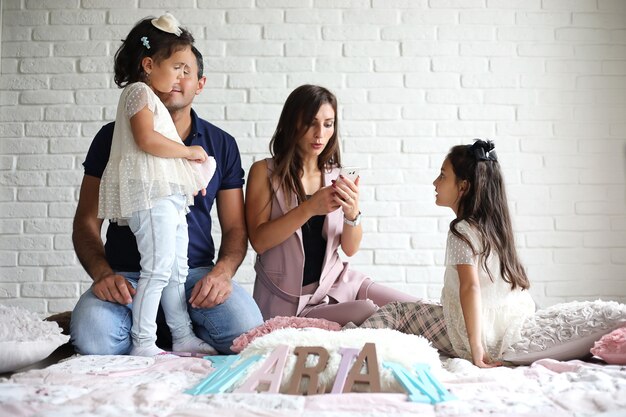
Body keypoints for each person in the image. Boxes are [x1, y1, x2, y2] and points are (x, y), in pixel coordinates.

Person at [70, 16, 263, 356]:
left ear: (200, 84)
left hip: (194, 276)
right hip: (126, 278)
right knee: (93, 338)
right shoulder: (112, 137)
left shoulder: (221, 144)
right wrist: (102, 274)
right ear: (150, 66)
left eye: (185, 71)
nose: (178, 78)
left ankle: (182, 329)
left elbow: (235, 228)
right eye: (173, 67)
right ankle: (146, 335)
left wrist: (222, 273)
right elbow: (86, 220)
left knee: (247, 330)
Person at [245, 84, 417, 326]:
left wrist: (352, 213)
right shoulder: (264, 172)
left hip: (339, 285)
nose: (320, 134)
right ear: (292, 122)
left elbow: (350, 248)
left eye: (328, 124)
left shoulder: (336, 175)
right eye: (310, 122)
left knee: (416, 307)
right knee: (372, 313)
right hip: (293, 303)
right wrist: (309, 208)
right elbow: (259, 241)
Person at [355, 140, 535, 368]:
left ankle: (347, 344)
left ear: (463, 187)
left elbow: (470, 287)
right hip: (504, 328)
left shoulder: (461, 231)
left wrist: (475, 348)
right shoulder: (496, 227)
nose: (435, 182)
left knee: (396, 310)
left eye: (442, 176)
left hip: (476, 337)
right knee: (425, 307)